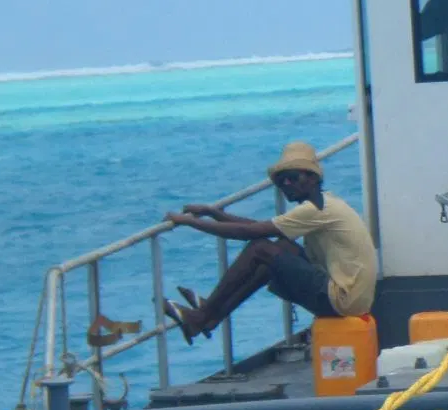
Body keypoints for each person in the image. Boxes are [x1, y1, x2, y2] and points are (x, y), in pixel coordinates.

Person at [161, 141, 379, 341]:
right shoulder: (323, 203)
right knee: (279, 247)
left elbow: (250, 232)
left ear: (312, 178)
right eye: (280, 180)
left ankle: (201, 316)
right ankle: (211, 316)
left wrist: (188, 222)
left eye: (293, 177)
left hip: (343, 302)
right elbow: (258, 228)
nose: (286, 184)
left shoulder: (317, 210)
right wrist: (213, 212)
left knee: (261, 249)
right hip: (350, 297)